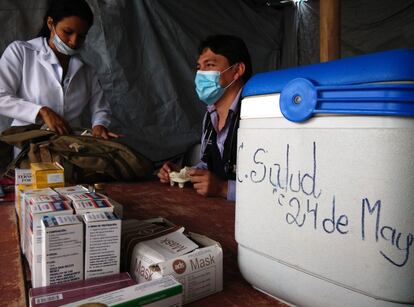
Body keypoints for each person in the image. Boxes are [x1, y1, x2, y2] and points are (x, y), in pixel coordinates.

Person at [0, 0, 116, 139]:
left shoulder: (86, 70)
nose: (73, 41)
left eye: (81, 36)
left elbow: (100, 107)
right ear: (50, 23)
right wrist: (41, 111)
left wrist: (99, 125)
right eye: (68, 32)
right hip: (29, 144)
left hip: (70, 146)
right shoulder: (21, 52)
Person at [157, 34, 252, 201]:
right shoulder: (210, 117)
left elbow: (272, 185)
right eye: (199, 67)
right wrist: (183, 173)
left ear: (237, 70)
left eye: (209, 65)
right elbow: (208, 164)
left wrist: (223, 189)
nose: (200, 74)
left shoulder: (256, 115)